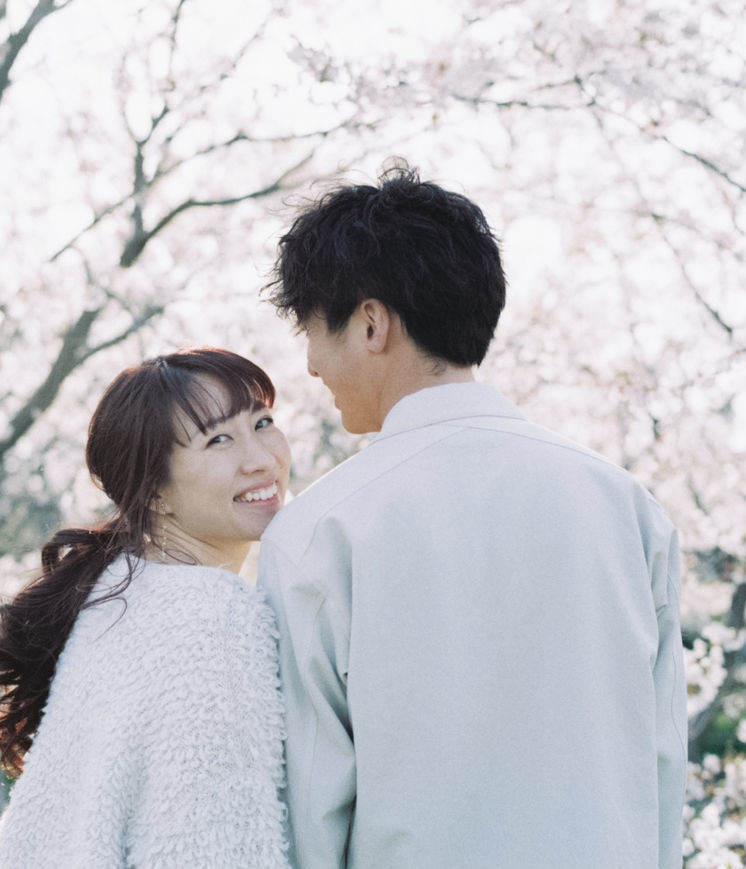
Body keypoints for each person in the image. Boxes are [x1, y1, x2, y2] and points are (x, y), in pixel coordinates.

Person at [258, 165, 687, 868]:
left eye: (312, 332)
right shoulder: (626, 507)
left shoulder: (318, 532)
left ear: (371, 323)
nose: (309, 365)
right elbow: (662, 766)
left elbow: (311, 808)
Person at [0, 348, 292, 869]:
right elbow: (210, 850)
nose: (262, 458)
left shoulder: (116, 592)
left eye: (262, 422)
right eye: (219, 439)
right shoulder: (212, 616)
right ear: (154, 492)